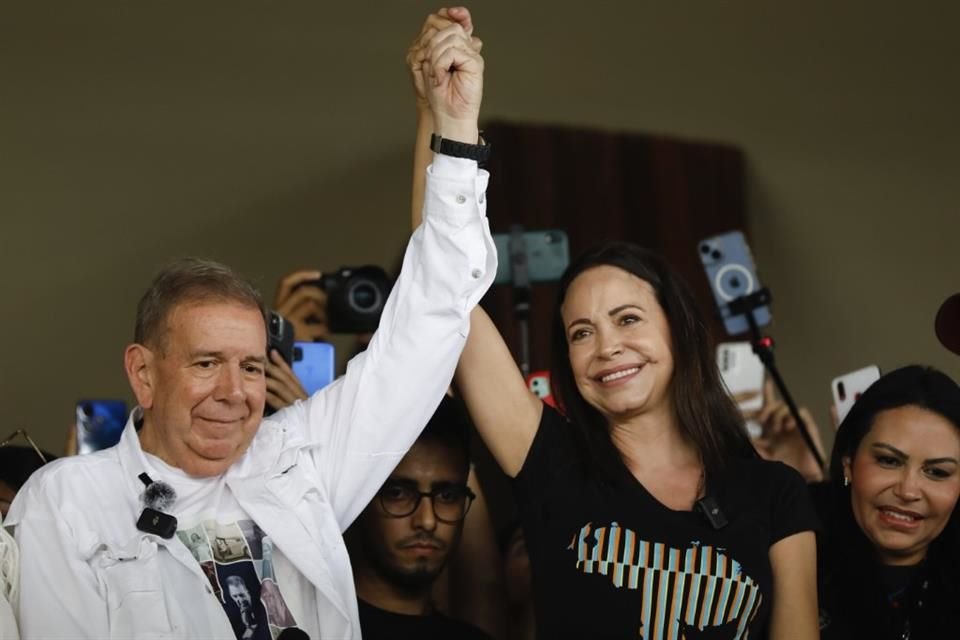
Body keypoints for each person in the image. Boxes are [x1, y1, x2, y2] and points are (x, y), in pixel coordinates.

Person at [4, 9, 494, 638]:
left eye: (253, 366)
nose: (235, 393)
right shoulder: (69, 500)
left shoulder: (299, 464)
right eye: (207, 363)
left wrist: (454, 129)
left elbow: (429, 324)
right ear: (143, 373)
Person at [407, 11, 819, 638]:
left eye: (627, 318)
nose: (606, 347)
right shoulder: (551, 463)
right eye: (580, 332)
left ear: (678, 331)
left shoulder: (773, 493)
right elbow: (440, 286)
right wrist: (440, 114)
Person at [816, 365, 960, 638]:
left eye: (937, 472)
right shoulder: (795, 554)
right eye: (888, 461)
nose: (908, 491)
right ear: (849, 462)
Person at [348, 395, 493, 639]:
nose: (427, 521)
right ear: (359, 496)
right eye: (398, 493)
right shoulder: (312, 629)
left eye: (447, 495)